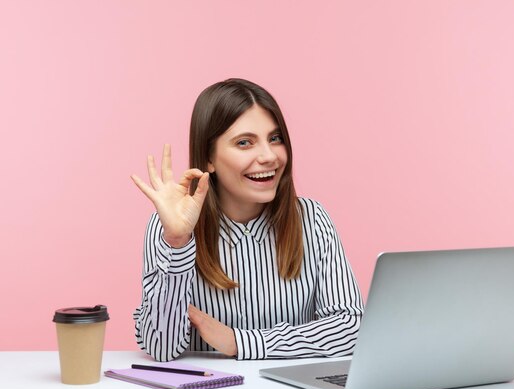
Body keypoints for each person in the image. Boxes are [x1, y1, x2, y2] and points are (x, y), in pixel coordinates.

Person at [130, 78, 364, 361]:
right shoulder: (167, 228)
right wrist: (178, 242)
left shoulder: (311, 219)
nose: (268, 156)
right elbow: (161, 349)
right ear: (209, 159)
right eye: (244, 143)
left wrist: (240, 342)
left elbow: (351, 328)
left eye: (275, 139)